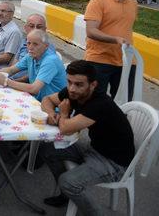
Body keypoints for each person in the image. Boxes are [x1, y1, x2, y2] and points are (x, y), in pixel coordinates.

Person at [41, 60, 135, 214]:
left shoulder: (100, 104)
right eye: (69, 82)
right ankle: (67, 195)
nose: (72, 89)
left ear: (93, 85)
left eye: (79, 84)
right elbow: (47, 100)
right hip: (95, 150)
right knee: (47, 148)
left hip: (114, 163)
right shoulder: (74, 92)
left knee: (67, 182)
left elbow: (65, 129)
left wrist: (63, 113)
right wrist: (52, 114)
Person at [84, 0, 137, 98]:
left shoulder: (133, 2)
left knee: (124, 103)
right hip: (99, 60)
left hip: (127, 60)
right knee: (93, 102)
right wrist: (115, 39)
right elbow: (91, 31)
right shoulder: (98, 2)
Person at [0, 30, 66, 101]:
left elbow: (34, 89)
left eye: (35, 44)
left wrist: (6, 81)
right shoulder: (31, 55)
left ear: (46, 46)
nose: (30, 47)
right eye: (28, 43)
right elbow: (11, 70)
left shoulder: (50, 61)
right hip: (36, 99)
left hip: (51, 107)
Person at [9, 14, 55, 80]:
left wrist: (11, 82)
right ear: (25, 28)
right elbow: (14, 64)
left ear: (44, 30)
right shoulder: (23, 42)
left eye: (39, 27)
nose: (35, 29)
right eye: (31, 26)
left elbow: (36, 75)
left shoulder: (47, 48)